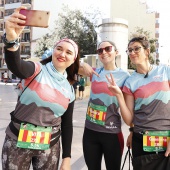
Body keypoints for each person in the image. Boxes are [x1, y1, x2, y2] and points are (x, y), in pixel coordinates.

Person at [1, 6, 80, 170]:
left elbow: (67, 125)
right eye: (59, 48)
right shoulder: (36, 70)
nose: (62, 54)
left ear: (73, 60)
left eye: (68, 52)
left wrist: (66, 158)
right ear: (53, 51)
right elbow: (16, 65)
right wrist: (11, 39)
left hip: (49, 148)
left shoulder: (69, 89)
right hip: (17, 142)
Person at [108, 35, 170, 170]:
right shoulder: (130, 82)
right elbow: (130, 120)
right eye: (129, 50)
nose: (132, 52)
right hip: (141, 143)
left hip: (167, 141)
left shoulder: (166, 72)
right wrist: (119, 95)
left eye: (136, 48)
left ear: (147, 51)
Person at [81, 40, 130, 170]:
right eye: (100, 50)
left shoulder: (125, 76)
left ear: (116, 52)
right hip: (90, 132)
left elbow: (130, 107)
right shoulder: (95, 72)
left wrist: (132, 130)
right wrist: (82, 63)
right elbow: (68, 65)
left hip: (111, 133)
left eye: (108, 49)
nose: (104, 52)